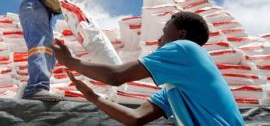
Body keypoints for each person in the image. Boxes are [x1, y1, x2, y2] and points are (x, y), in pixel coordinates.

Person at [53, 11, 245, 125]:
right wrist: (91, 96)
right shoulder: (176, 88)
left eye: (164, 31)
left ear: (181, 34)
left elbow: (116, 76)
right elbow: (135, 118)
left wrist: (71, 62)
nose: (158, 39)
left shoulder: (184, 48)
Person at [19, 0, 104, 101]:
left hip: (47, 12)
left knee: (51, 51)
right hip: (35, 3)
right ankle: (36, 88)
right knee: (41, 45)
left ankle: (37, 88)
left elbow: (78, 10)